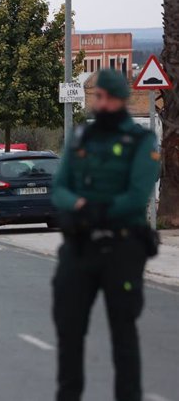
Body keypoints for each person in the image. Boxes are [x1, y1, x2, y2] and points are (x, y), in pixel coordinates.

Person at [51, 69, 160, 401]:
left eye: (101, 96)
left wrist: (101, 209)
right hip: (80, 245)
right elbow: (60, 187)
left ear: (117, 99)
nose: (96, 102)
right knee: (69, 330)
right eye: (95, 96)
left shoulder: (140, 141)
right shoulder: (82, 136)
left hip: (122, 246)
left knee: (123, 334)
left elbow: (138, 193)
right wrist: (81, 206)